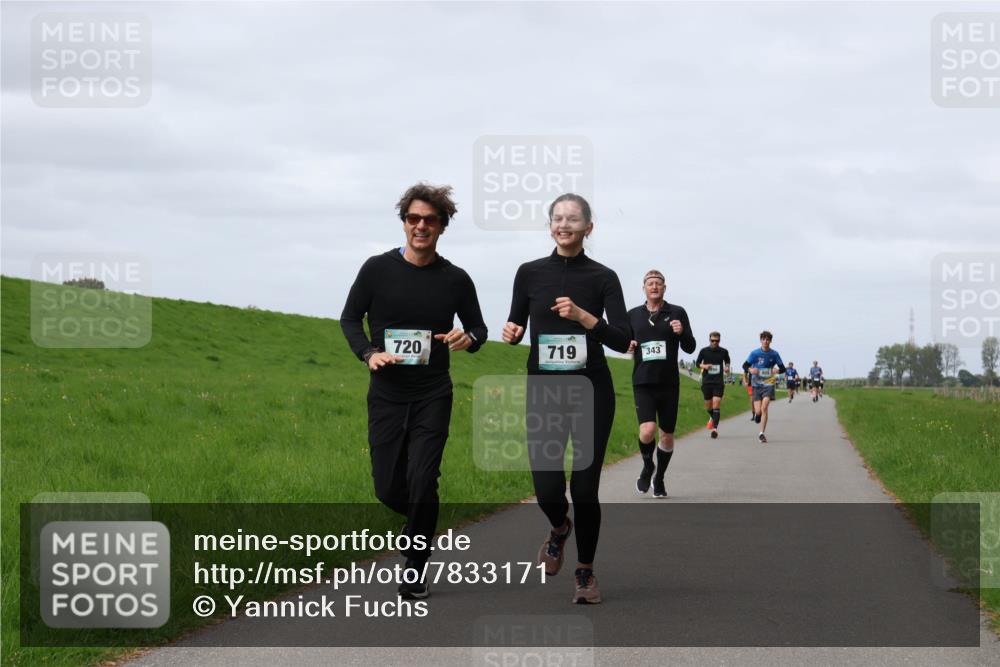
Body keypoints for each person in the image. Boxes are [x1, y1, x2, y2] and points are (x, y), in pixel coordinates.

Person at [341, 183, 488, 600]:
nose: (420, 226)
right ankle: (420, 522)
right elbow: (350, 319)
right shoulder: (376, 269)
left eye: (430, 220)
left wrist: (468, 339)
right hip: (387, 394)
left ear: (442, 226)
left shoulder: (455, 279)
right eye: (413, 218)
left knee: (423, 479)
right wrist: (369, 353)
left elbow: (478, 328)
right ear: (404, 223)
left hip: (432, 393)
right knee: (387, 488)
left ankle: (415, 566)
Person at [502, 193, 630, 605]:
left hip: (591, 391)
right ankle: (560, 527)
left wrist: (584, 317)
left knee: (585, 487)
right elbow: (516, 322)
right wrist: (512, 332)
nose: (564, 224)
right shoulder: (529, 273)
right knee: (547, 487)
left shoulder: (603, 277)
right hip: (544, 391)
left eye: (573, 219)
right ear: (549, 225)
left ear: (588, 228)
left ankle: (585, 572)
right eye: (557, 218)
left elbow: (623, 339)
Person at [627, 270, 696, 496]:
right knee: (647, 431)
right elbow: (624, 341)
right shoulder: (633, 315)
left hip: (668, 383)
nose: (654, 286)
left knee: (666, 435)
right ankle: (648, 466)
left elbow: (690, 347)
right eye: (650, 283)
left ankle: (660, 478)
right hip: (643, 381)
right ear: (644, 288)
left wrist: (681, 332)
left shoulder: (677, 312)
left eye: (658, 283)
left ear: (664, 288)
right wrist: (628, 345)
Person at [742, 331, 786, 444]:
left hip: (769, 382)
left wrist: (777, 370)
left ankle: (761, 433)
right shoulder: (754, 353)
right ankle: (757, 415)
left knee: (764, 407)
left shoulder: (774, 354)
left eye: (768, 339)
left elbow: (783, 368)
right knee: (758, 411)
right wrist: (750, 369)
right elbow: (745, 365)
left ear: (770, 341)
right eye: (764, 339)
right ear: (760, 340)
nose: (766, 341)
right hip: (756, 383)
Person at [694, 331, 730, 439]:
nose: (714, 342)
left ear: (719, 340)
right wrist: (704, 366)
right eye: (712, 340)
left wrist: (727, 367)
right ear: (709, 340)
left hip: (718, 382)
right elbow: (697, 363)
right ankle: (712, 417)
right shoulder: (704, 351)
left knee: (716, 403)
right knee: (708, 407)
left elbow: (727, 361)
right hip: (707, 382)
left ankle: (715, 429)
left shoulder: (724, 351)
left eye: (716, 341)